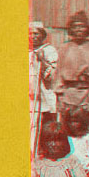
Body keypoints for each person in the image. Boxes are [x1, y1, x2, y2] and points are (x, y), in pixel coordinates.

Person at [55, 11, 89, 128]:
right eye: (75, 27)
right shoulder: (64, 48)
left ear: (87, 29)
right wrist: (60, 96)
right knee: (67, 125)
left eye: (82, 26)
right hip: (68, 93)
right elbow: (58, 74)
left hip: (86, 93)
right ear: (71, 29)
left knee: (87, 126)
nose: (79, 30)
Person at [29, 21, 58, 155]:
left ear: (42, 35)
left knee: (41, 130)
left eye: (36, 33)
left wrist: (43, 61)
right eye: (30, 33)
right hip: (27, 99)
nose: (33, 36)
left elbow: (52, 76)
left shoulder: (49, 51)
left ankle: (40, 156)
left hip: (42, 100)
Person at [64, 110, 89, 176]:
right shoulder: (66, 136)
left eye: (76, 121)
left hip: (85, 172)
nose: (73, 124)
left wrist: (87, 170)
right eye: (71, 121)